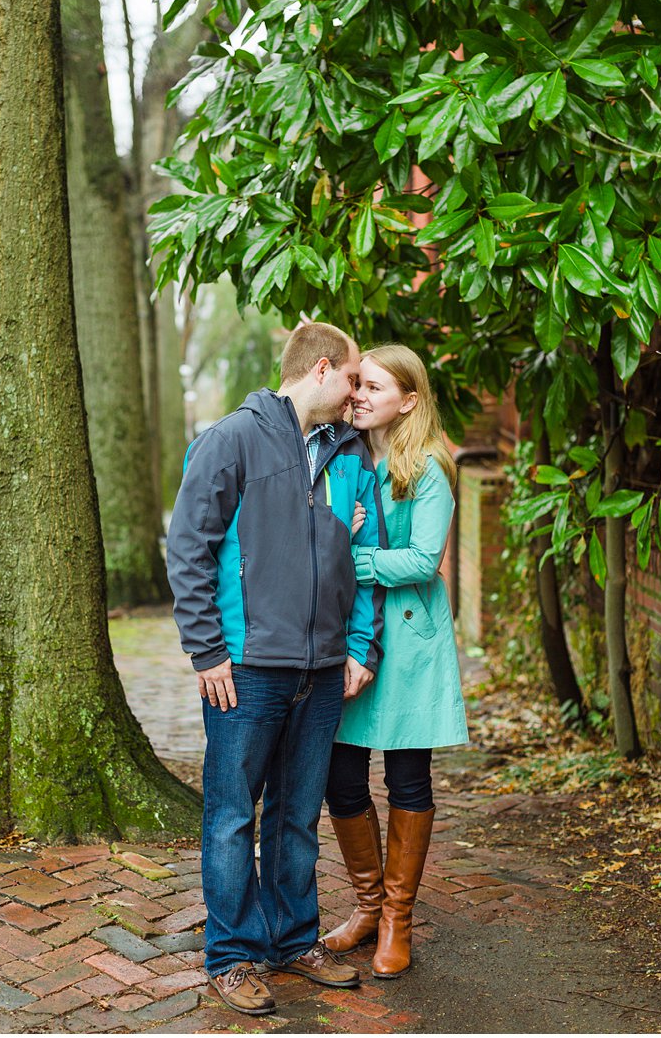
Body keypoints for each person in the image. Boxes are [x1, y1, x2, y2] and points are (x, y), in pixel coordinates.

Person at [167, 322, 386, 1017]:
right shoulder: (231, 439)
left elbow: (362, 558)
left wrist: (358, 645)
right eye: (354, 378)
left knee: (296, 814)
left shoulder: (351, 451)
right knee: (233, 814)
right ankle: (231, 955)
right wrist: (206, 648)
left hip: (321, 669)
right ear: (322, 370)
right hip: (248, 667)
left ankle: (294, 939)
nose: (358, 394)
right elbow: (187, 546)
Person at [323, 344, 469, 979]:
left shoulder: (428, 466)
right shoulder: (346, 457)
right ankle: (366, 904)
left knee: (408, 780)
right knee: (342, 778)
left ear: (408, 400)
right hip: (354, 637)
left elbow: (423, 559)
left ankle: (396, 920)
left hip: (410, 643)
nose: (359, 396)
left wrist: (346, 558)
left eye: (374, 388)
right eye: (357, 385)